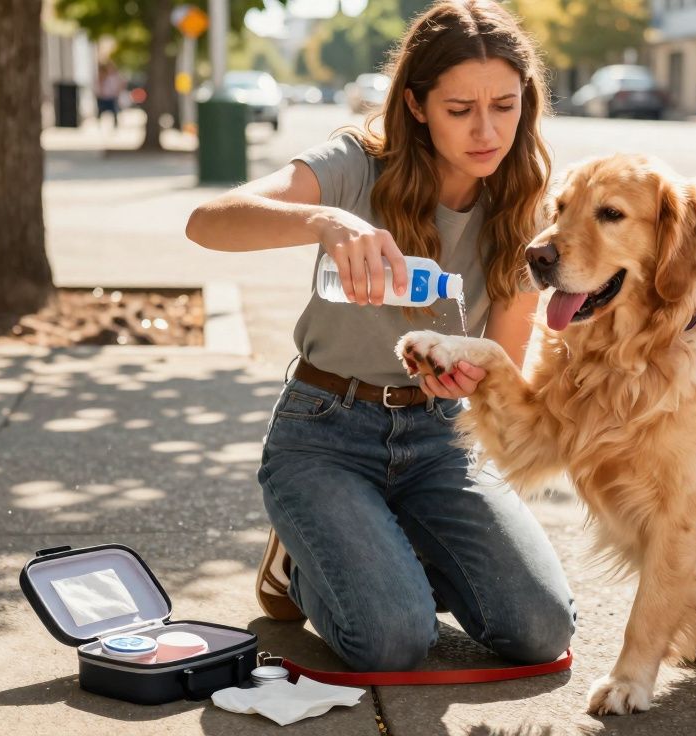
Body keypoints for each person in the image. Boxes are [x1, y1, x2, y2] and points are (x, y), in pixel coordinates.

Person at [184, 0, 574, 672]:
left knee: (540, 627)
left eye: (505, 106)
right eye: (460, 110)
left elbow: (505, 363)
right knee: (392, 642)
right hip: (325, 429)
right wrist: (323, 222)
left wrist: (472, 378)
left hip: (440, 438)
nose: (487, 130)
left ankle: (381, 547)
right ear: (418, 105)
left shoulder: (523, 206)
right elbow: (207, 221)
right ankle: (297, 563)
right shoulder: (356, 164)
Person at [96, 61, 125, 128]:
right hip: (103, 96)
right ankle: (99, 124)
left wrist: (117, 92)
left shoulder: (116, 76)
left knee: (114, 111)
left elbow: (122, 84)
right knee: (101, 111)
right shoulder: (103, 76)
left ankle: (115, 124)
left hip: (112, 96)